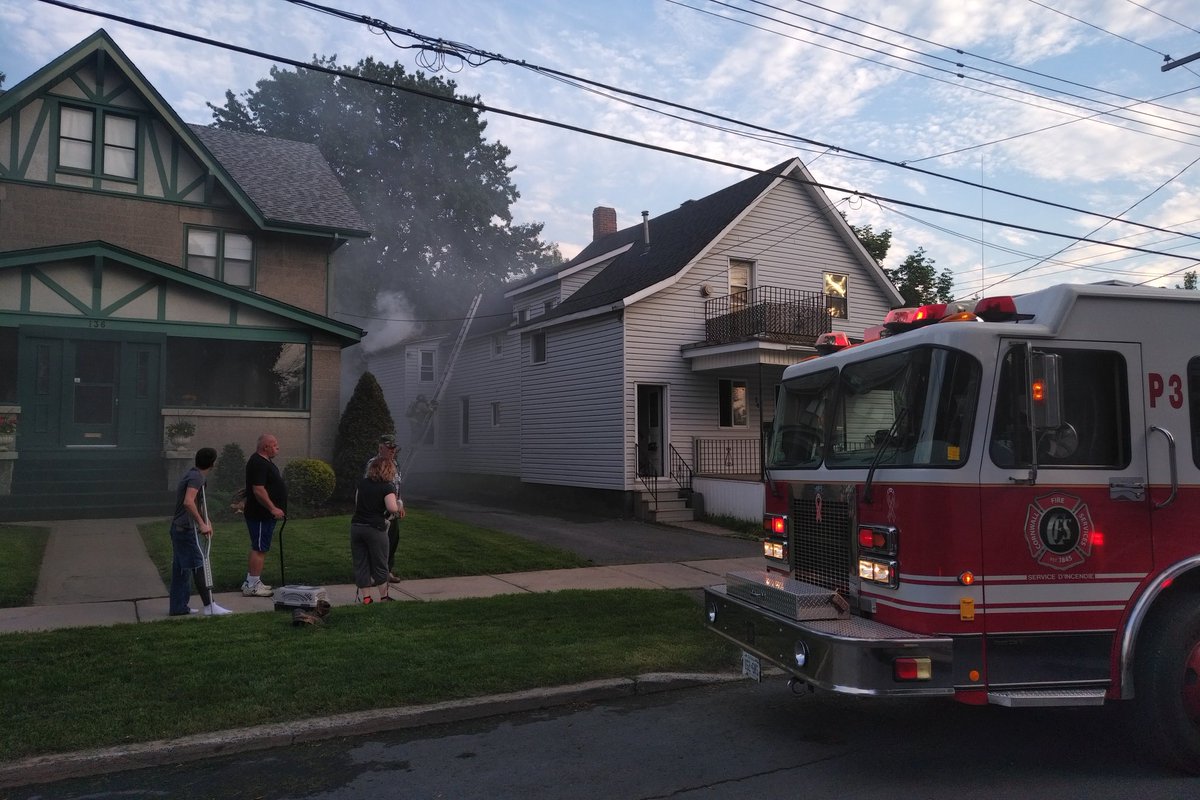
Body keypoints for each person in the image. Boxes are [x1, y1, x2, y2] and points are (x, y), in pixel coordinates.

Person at [168, 447, 232, 617]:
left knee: (181, 569)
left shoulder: (194, 474)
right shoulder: (196, 477)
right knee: (199, 565)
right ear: (213, 463)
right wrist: (201, 524)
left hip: (179, 528)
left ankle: (178, 607)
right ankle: (209, 605)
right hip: (185, 530)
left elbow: (198, 502)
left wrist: (206, 521)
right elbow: (189, 502)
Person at [351, 456, 401, 604]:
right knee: (380, 563)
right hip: (375, 528)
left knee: (361, 563)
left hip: (357, 527)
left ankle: (366, 598)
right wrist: (399, 504)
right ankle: (384, 597)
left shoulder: (362, 484)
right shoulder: (387, 486)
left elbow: (356, 503)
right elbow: (392, 508)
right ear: (389, 470)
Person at [242, 433, 287, 597]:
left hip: (263, 515)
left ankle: (252, 581)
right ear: (265, 447)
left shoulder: (265, 462)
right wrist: (273, 508)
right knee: (259, 548)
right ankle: (253, 585)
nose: (277, 447)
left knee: (260, 547)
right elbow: (258, 489)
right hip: (260, 514)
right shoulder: (259, 463)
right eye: (274, 444)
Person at [373, 434, 406, 582]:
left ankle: (387, 571)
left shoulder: (395, 464)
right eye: (390, 448)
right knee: (377, 543)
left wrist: (400, 504)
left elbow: (397, 486)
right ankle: (373, 573)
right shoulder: (374, 464)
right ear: (381, 448)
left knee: (393, 540)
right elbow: (370, 487)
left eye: (394, 448)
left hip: (393, 510)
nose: (393, 451)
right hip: (379, 511)